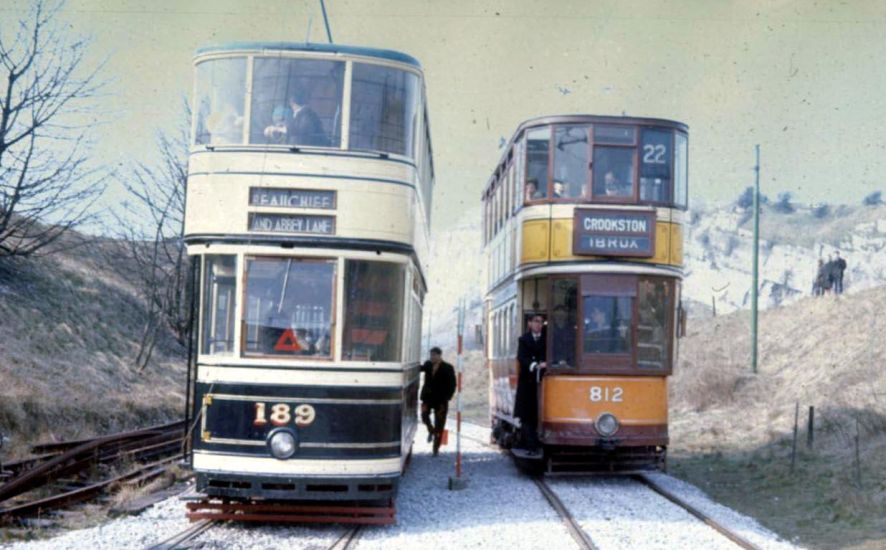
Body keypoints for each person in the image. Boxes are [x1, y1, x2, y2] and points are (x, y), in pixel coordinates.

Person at [514, 314, 546, 454]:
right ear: (529, 323)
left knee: (539, 413)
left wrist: (546, 364)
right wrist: (535, 365)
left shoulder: (547, 339)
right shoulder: (524, 340)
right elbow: (522, 357)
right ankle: (530, 445)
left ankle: (538, 443)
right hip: (527, 382)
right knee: (527, 415)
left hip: (543, 381)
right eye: (536, 321)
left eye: (541, 322)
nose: (539, 324)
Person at [420, 347, 456, 456]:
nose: (432, 357)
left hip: (441, 401)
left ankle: (435, 449)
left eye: (434, 355)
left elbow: (453, 384)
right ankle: (431, 430)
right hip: (427, 398)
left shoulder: (448, 367)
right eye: (431, 355)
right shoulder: (428, 365)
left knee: (440, 424)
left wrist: (448, 397)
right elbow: (420, 368)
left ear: (440, 355)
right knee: (424, 416)